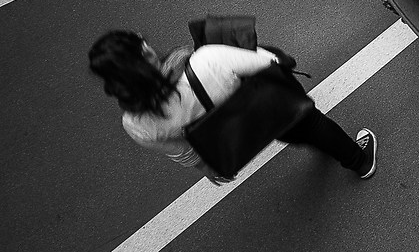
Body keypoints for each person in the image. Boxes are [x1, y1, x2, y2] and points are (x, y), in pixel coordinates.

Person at [92, 29, 376, 181]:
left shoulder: (135, 123)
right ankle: (360, 161)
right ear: (145, 52)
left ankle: (330, 149)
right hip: (267, 106)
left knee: (286, 132)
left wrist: (208, 169)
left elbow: (184, 153)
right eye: (140, 40)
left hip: (241, 133)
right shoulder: (205, 60)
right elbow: (268, 61)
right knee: (310, 124)